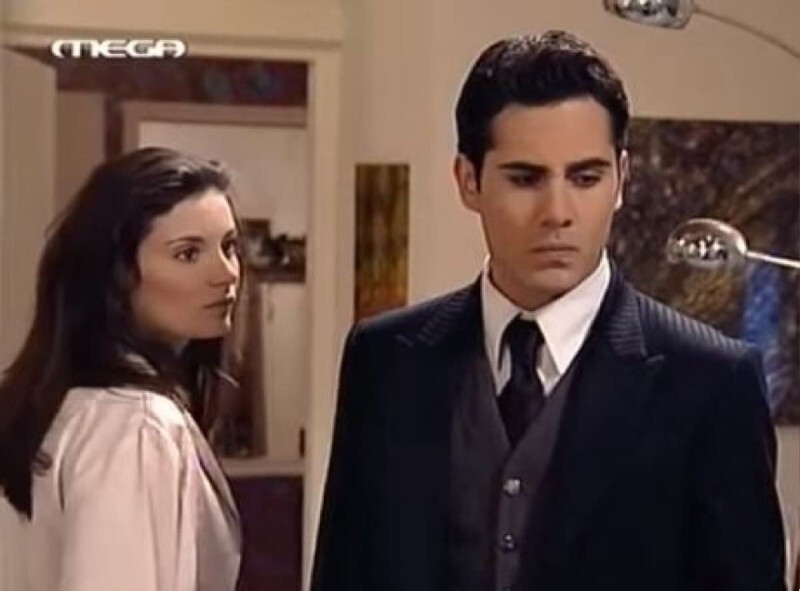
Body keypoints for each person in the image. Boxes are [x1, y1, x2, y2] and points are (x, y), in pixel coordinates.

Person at [311, 30, 787, 591]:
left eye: (585, 178)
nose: (557, 211)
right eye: (525, 178)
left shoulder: (711, 381)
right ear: (468, 181)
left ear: (621, 180)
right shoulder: (385, 360)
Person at [0, 147, 243, 591]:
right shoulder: (136, 425)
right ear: (115, 273)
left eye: (229, 247)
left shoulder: (61, 404)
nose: (226, 273)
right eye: (188, 253)